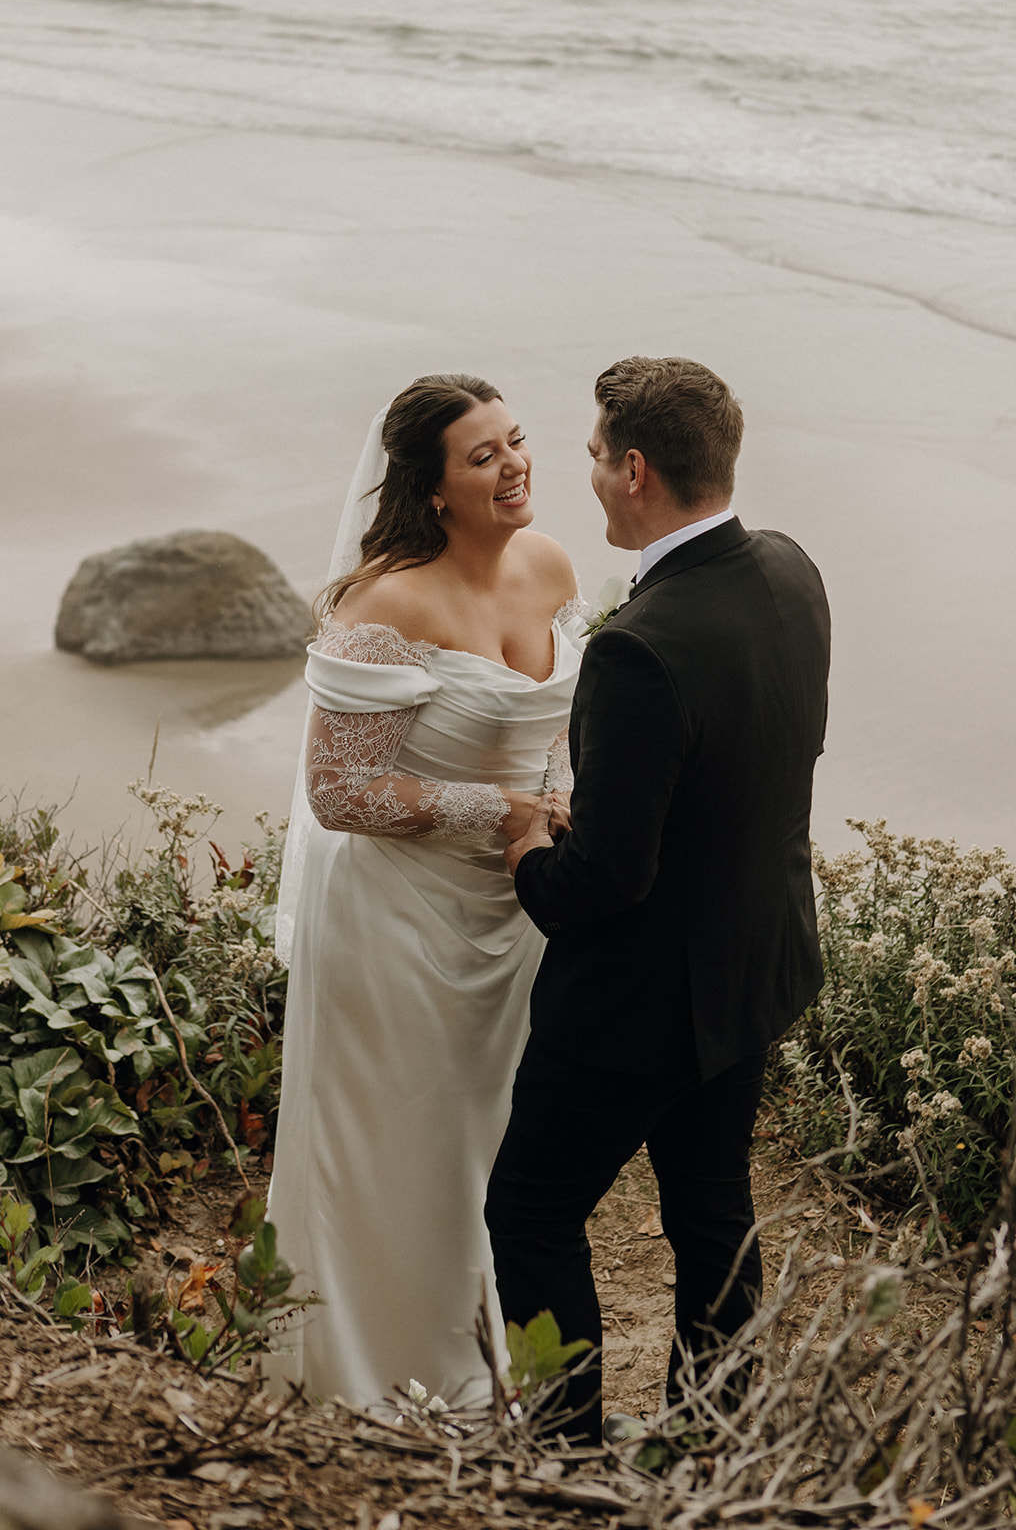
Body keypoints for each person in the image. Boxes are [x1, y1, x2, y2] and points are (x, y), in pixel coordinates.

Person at [485, 355, 831, 1443]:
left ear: (633, 470)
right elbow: (758, 758)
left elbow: (602, 883)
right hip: (753, 965)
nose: (580, 470)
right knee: (709, 1205)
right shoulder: (788, 569)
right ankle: (714, 1440)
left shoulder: (637, 649)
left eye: (589, 453)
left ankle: (561, 1449)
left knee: (529, 1211)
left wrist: (526, 845)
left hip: (636, 1005)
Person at [266, 373, 583, 1411]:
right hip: (394, 922)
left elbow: (567, 728)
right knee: (403, 1153)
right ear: (431, 488)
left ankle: (491, 1366)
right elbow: (338, 790)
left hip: (514, 917)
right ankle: (381, 1375)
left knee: (492, 1154)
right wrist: (498, 812)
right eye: (481, 456)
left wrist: (560, 803)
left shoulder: (549, 565)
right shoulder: (385, 601)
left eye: (516, 442)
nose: (513, 465)